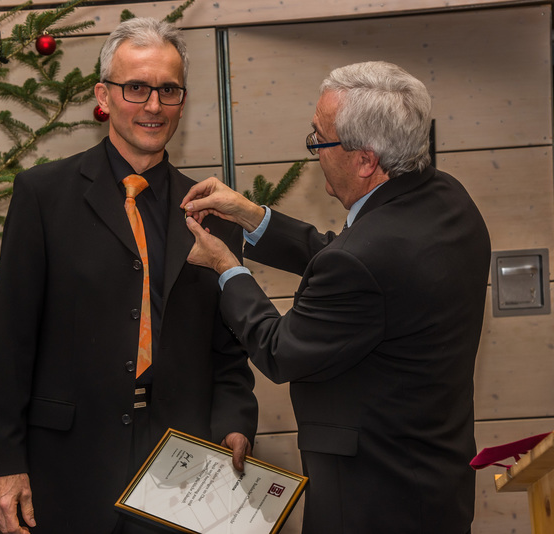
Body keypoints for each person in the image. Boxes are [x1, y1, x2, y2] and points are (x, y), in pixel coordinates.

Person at [181, 61, 490, 534]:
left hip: (373, 498)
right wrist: (251, 216)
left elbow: (280, 349)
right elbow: (355, 268)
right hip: (434, 485)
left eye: (318, 140)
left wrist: (227, 267)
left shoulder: (365, 258)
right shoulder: (446, 198)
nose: (313, 153)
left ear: (365, 160)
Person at [0, 17, 258, 534]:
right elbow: (10, 342)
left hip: (183, 463)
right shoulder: (43, 195)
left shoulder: (212, 213)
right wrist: (5, 463)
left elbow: (228, 350)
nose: (154, 105)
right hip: (68, 465)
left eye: (168, 90)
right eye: (136, 88)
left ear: (182, 100)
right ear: (103, 96)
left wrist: (235, 422)